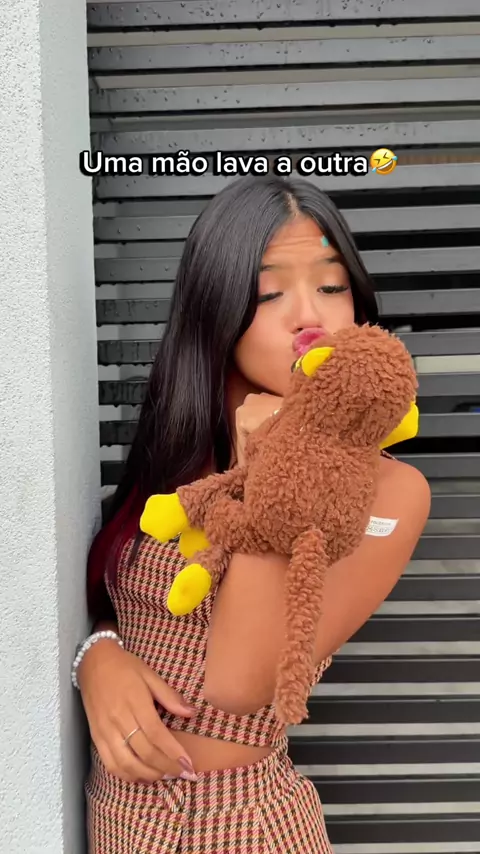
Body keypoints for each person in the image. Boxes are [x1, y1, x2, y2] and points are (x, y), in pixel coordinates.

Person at [75, 174, 431, 853]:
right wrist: (98, 659)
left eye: (332, 286)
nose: (309, 315)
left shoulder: (388, 490)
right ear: (217, 310)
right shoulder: (184, 455)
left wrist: (277, 465)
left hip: (242, 824)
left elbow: (241, 683)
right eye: (270, 293)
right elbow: (125, 603)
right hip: (122, 822)